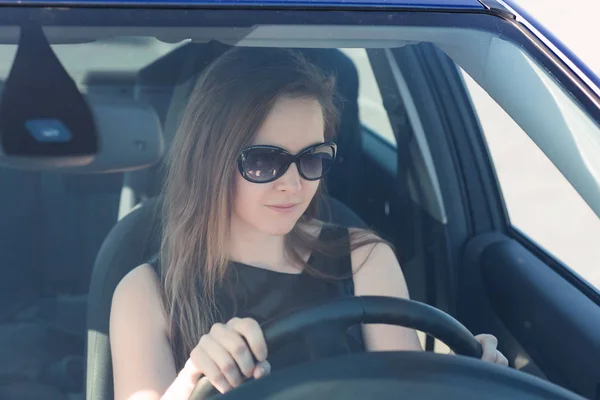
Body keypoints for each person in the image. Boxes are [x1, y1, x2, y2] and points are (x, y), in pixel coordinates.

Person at [109, 47, 508, 400]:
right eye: (265, 161)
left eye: (312, 158)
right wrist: (191, 379)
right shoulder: (146, 294)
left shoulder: (364, 259)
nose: (295, 184)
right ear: (210, 161)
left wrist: (464, 381)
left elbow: (407, 391)